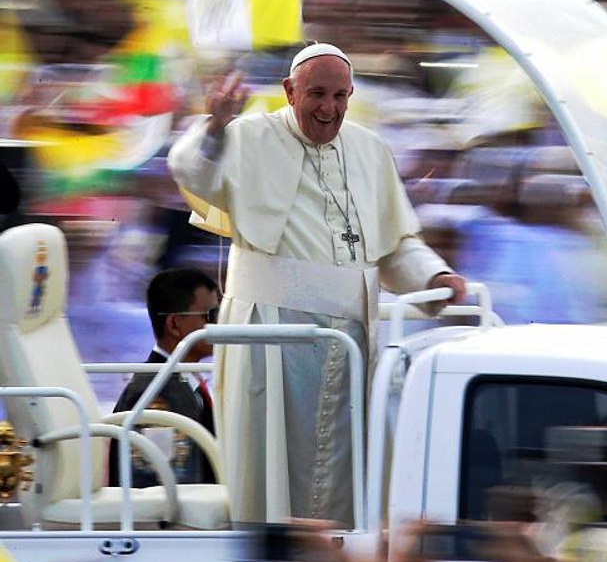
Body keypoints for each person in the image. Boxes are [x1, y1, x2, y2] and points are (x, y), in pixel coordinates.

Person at [167, 43, 467, 526]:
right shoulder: (247, 137)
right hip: (272, 336)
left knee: (348, 480)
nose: (329, 109)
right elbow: (191, 171)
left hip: (350, 342)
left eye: (340, 96)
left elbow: (393, 244)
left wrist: (437, 274)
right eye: (317, 94)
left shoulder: (370, 149)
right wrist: (214, 127)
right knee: (277, 473)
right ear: (290, 91)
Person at [109, 267, 220, 487]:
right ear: (174, 325)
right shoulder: (157, 397)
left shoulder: (181, 383)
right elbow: (159, 491)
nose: (219, 325)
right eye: (210, 316)